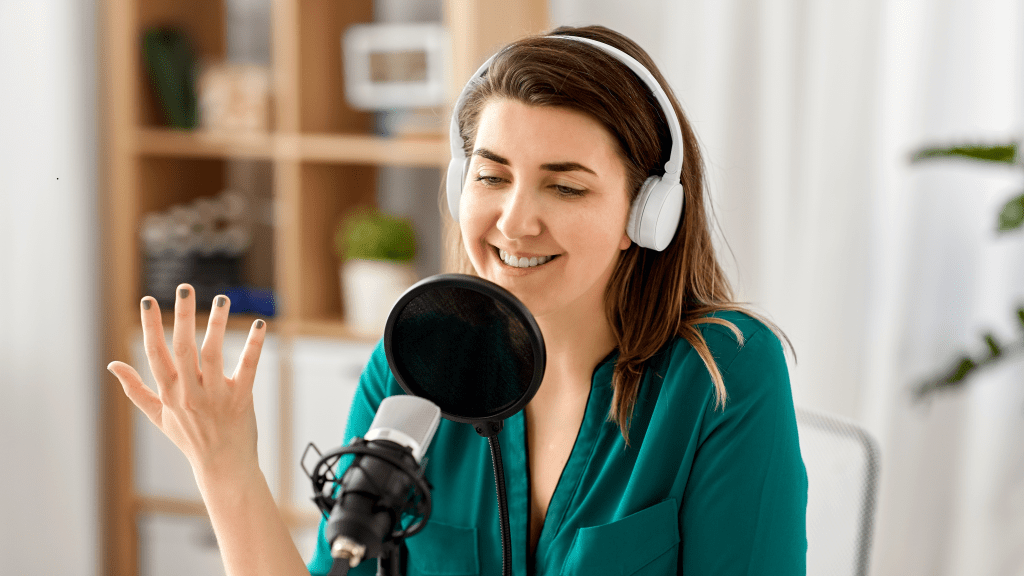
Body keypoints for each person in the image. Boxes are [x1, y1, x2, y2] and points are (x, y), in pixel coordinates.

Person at [108, 24, 807, 576]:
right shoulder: (413, 363)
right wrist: (225, 466)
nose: (514, 221)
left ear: (646, 214)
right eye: (492, 176)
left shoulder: (724, 377)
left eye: (565, 187)